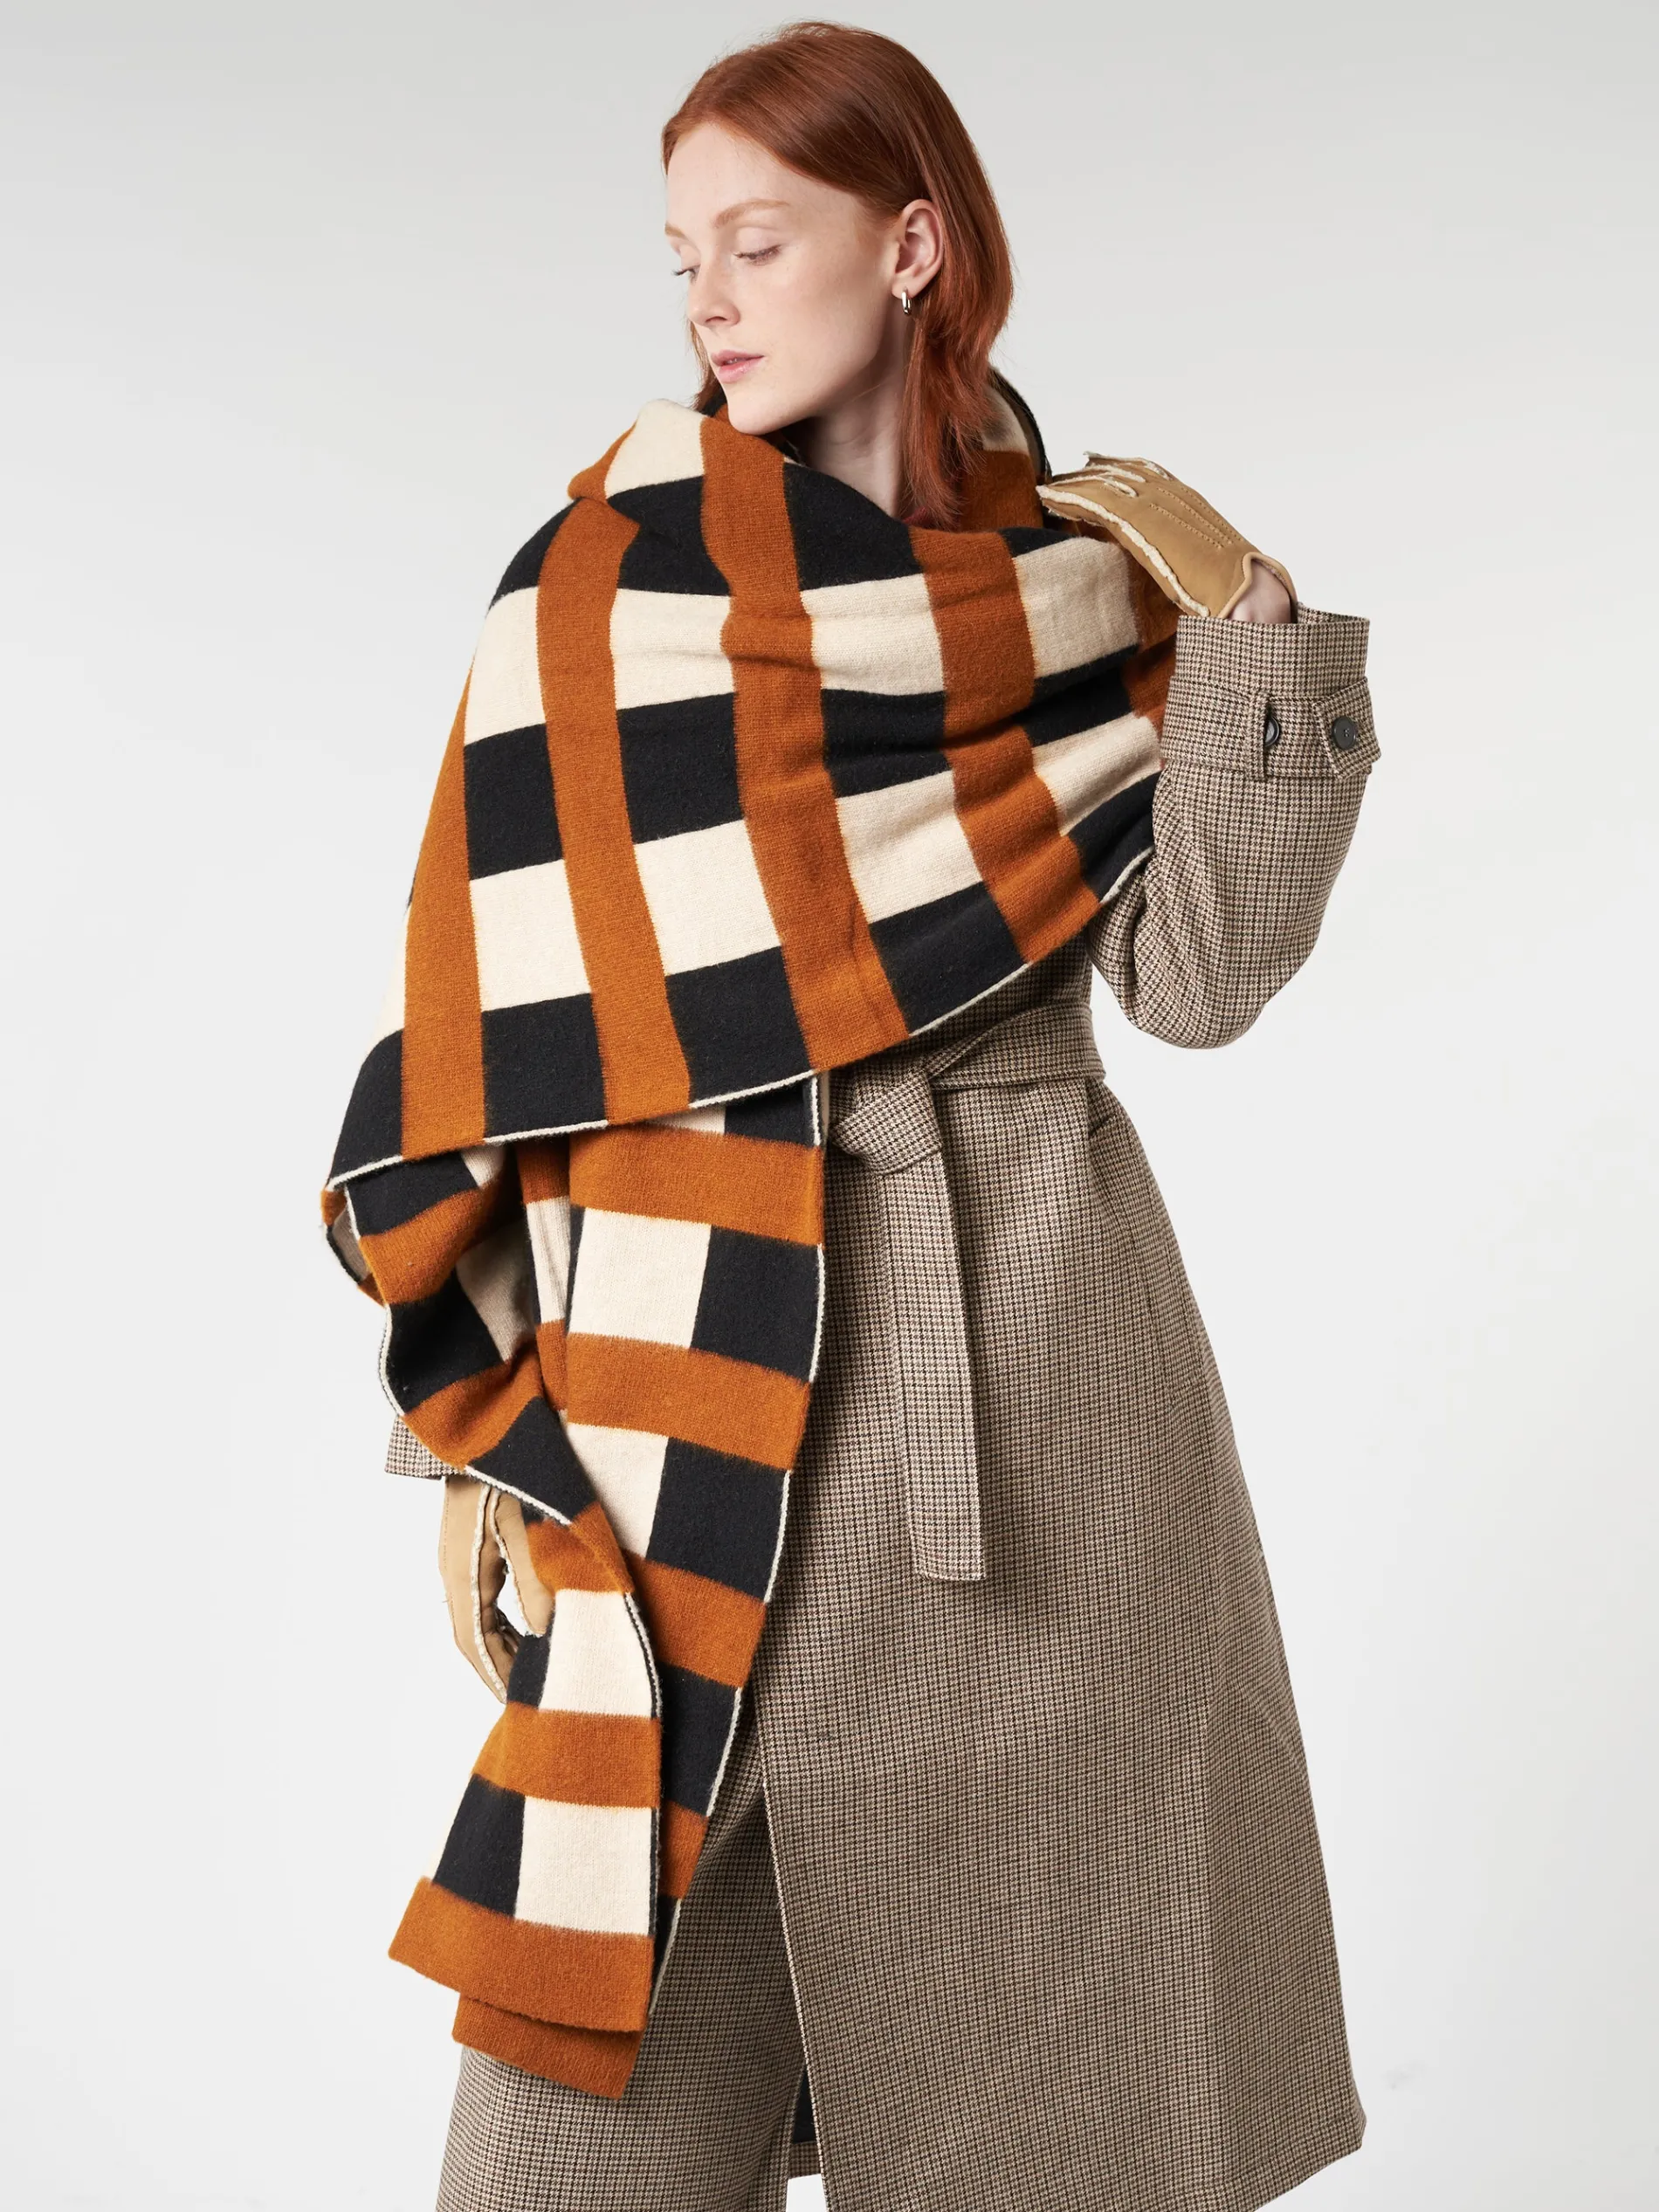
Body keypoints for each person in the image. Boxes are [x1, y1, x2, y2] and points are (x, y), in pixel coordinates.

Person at [322, 21, 1379, 2212]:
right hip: (673, 1441)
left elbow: (1193, 985)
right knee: (550, 2163)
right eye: (681, 254)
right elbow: (483, 1039)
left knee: (1042, 2144)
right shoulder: (597, 597)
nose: (707, 298)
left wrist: (1248, 634)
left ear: (908, 248)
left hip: (1029, 1438)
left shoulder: (1075, 591)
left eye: (756, 239)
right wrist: (478, 1441)